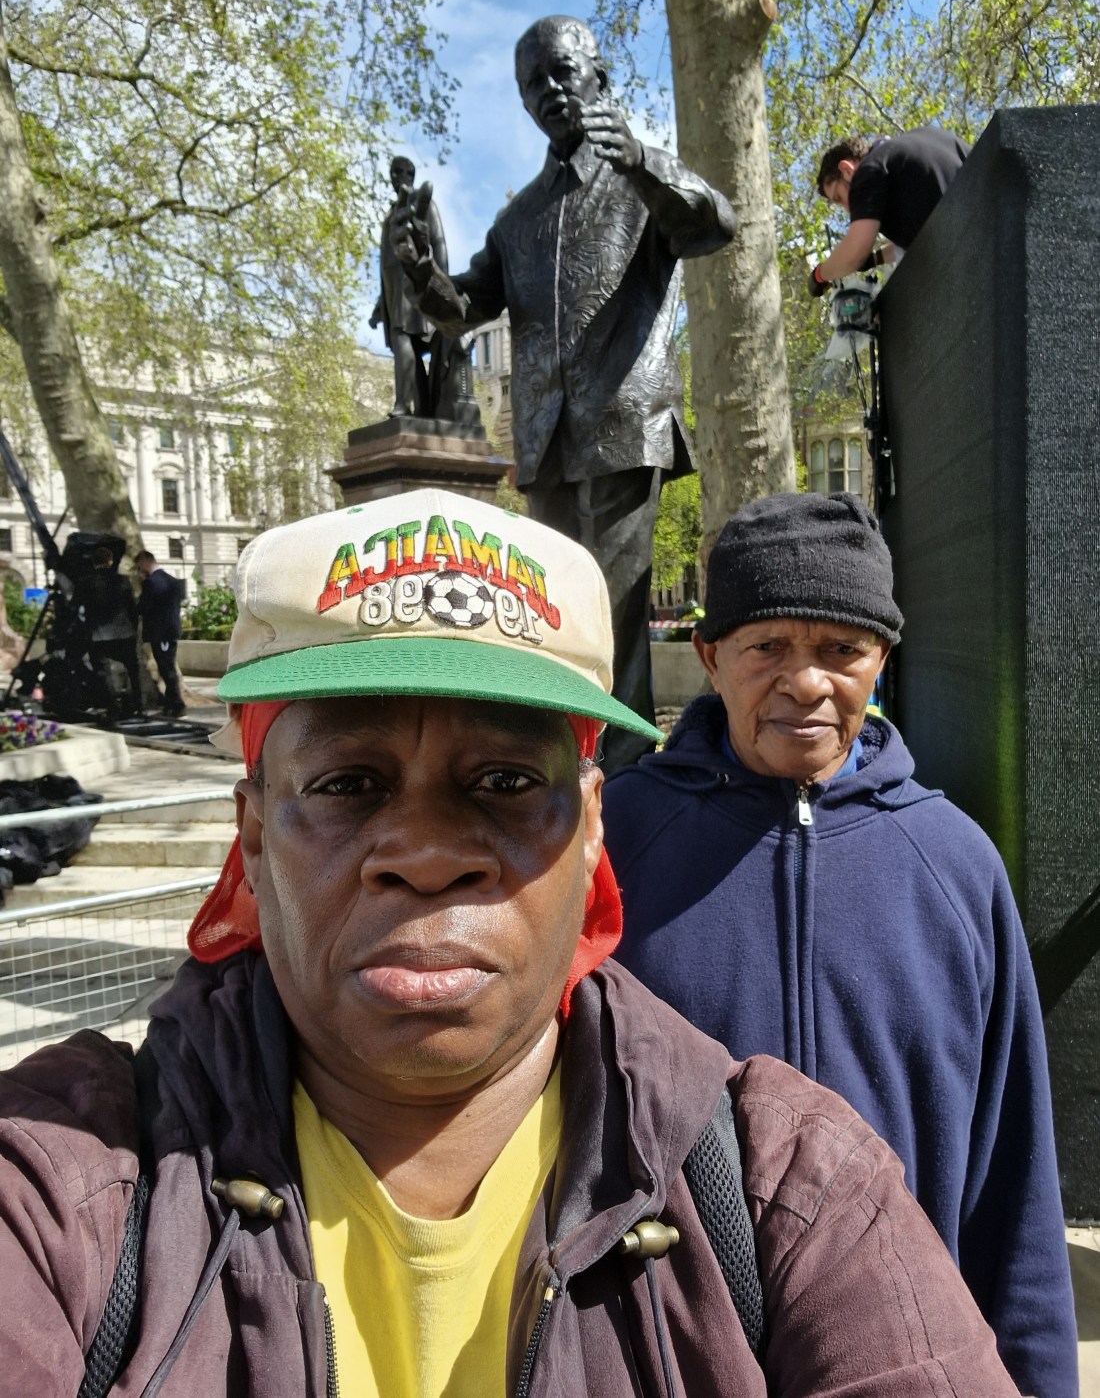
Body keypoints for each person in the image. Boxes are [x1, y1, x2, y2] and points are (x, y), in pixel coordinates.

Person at [0, 488, 1020, 1396]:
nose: (428, 853)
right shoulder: (62, 1183)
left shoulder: (789, 1186)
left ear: (591, 828)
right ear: (256, 835)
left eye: (503, 782)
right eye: (348, 783)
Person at [602, 491, 1078, 1398]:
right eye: (767, 647)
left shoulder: (954, 865)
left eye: (841, 649)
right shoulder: (615, 843)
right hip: (668, 1359)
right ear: (710, 657)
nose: (806, 682)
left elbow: (1014, 1184)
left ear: (882, 660)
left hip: (902, 1356)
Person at [392, 16, 735, 776]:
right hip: (546, 441)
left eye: (561, 72)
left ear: (598, 78)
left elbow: (716, 222)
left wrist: (641, 160)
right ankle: (557, 763)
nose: (548, 91)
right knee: (547, 608)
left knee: (610, 609)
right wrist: (420, 273)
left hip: (623, 423)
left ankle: (625, 775)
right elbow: (463, 308)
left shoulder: (640, 180)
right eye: (532, 83)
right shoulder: (517, 219)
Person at [808, 127, 970, 294]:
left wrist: (819, 275)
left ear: (847, 170)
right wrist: (875, 259)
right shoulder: (924, 137)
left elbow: (855, 253)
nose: (848, 209)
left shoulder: (869, 170)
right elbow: (924, 236)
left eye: (839, 197)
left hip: (967, 258)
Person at [369, 154, 449, 417]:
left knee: (402, 336)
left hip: (414, 284)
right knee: (404, 344)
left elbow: (439, 246)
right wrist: (380, 305)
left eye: (401, 172)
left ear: (410, 175)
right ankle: (421, 408)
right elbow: (386, 265)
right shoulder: (393, 212)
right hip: (394, 291)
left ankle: (403, 404)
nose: (396, 177)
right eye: (393, 172)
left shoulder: (422, 204)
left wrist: (443, 289)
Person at [70, 543, 140, 717]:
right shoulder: (123, 580)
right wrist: (133, 628)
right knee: (132, 668)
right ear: (110, 561)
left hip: (98, 634)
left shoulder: (85, 582)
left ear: (94, 562)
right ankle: (137, 703)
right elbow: (132, 607)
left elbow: (74, 608)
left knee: (103, 671)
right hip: (124, 633)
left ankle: (112, 705)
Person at [135, 548, 184, 718]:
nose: (139, 570)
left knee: (166, 668)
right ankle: (172, 702)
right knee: (167, 666)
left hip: (160, 632)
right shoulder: (172, 581)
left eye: (139, 566)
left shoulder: (151, 582)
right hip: (170, 630)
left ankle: (176, 703)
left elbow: (143, 607)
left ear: (145, 562)